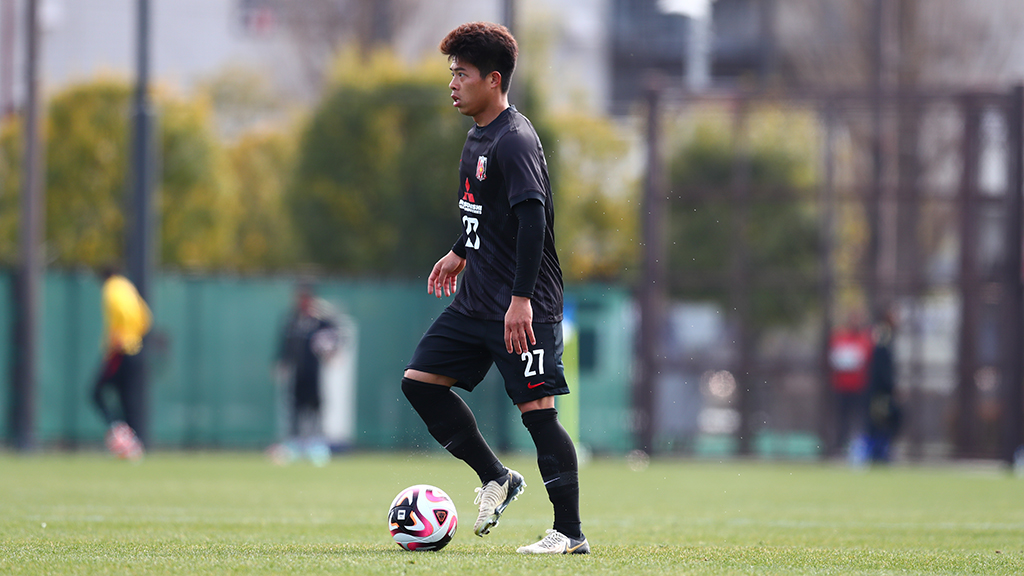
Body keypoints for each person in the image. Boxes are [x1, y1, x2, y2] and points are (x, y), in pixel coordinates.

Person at [400, 22, 588, 555]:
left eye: (462, 74)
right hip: (478, 299)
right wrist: (461, 250)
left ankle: (569, 534)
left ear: (494, 79)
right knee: (420, 382)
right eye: (452, 73)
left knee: (538, 414)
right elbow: (482, 208)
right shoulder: (476, 135)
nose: (453, 83)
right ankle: (496, 477)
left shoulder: (514, 139)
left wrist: (522, 300)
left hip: (522, 307)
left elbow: (533, 221)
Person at [271, 282, 341, 466]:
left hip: (314, 374)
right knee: (294, 409)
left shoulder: (320, 321)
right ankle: (293, 445)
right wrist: (281, 363)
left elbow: (334, 336)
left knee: (315, 408)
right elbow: (284, 346)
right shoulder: (292, 321)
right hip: (297, 374)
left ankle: (316, 446)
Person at [92, 266, 151, 460]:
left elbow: (119, 314)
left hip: (121, 349)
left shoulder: (111, 289)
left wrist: (118, 339)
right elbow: (145, 318)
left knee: (96, 392)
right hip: (136, 348)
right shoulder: (127, 286)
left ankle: (120, 432)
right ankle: (133, 443)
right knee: (128, 398)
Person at [828, 309, 874, 456]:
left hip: (860, 386)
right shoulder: (839, 337)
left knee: (860, 420)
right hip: (842, 386)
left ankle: (859, 450)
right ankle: (839, 448)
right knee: (842, 419)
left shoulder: (865, 339)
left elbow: (866, 358)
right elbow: (835, 357)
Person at [865, 309, 901, 463]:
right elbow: (881, 365)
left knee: (886, 419)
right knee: (882, 419)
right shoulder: (883, 335)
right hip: (879, 390)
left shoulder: (886, 335)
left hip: (880, 389)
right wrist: (890, 386)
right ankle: (878, 453)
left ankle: (881, 452)